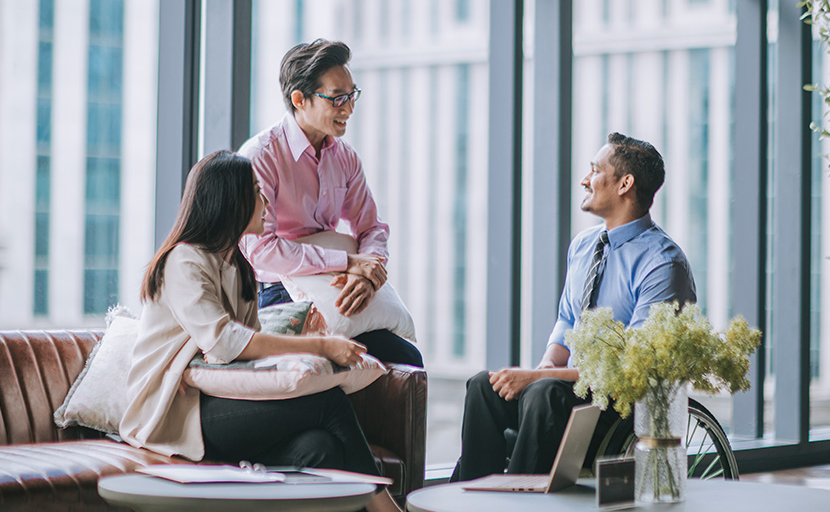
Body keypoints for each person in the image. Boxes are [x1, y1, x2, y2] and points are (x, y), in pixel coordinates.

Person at [119, 151, 403, 512]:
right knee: (329, 403)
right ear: (230, 199)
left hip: (216, 400)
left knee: (321, 447)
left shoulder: (238, 266)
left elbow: (250, 355)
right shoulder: (184, 260)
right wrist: (321, 347)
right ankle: (387, 509)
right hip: (175, 410)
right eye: (256, 191)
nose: (266, 201)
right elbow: (224, 343)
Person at [450, 133, 696, 481]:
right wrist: (547, 364)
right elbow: (568, 321)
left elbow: (631, 371)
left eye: (595, 170)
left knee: (544, 391)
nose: (585, 179)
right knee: (482, 387)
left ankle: (520, 509)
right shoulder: (583, 246)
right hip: (568, 391)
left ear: (625, 184)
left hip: (619, 407)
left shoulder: (662, 263)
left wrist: (540, 377)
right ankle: (472, 500)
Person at [238, 38, 422, 367]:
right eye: (337, 98)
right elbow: (260, 249)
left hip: (333, 285)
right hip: (276, 291)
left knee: (406, 360)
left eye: (352, 96)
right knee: (327, 369)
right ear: (299, 99)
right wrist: (347, 262)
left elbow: (372, 228)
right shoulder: (261, 156)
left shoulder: (345, 157)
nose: (349, 108)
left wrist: (368, 273)